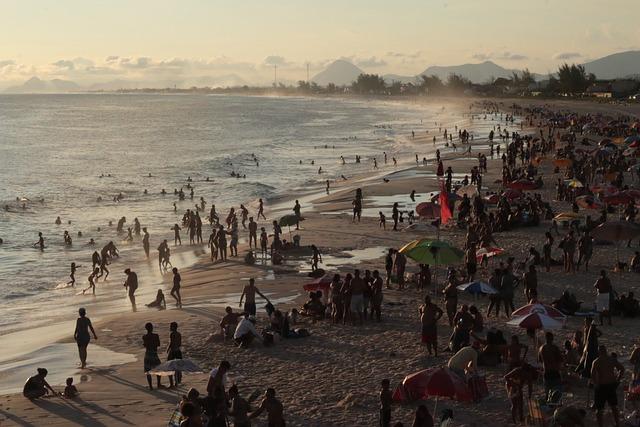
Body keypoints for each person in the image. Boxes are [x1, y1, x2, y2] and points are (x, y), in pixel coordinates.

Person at [591, 345, 625, 427]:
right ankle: (617, 424)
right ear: (606, 351)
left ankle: (601, 425)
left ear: (599, 352)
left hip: (601, 386)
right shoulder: (612, 359)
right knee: (614, 406)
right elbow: (622, 369)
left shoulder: (597, 361)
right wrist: (618, 379)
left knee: (599, 409)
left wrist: (595, 383)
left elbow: (592, 374)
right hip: (611, 385)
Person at [538, 332, 564, 396]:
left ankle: (550, 405)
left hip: (546, 372)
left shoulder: (541, 348)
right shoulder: (554, 348)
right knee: (556, 395)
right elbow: (561, 359)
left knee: (548, 394)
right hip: (554, 372)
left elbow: (540, 360)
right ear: (552, 338)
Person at [143, 322, 163, 390]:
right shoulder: (156, 335)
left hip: (148, 354)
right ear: (152, 328)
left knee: (148, 370)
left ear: (146, 329)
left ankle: (151, 386)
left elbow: (145, 345)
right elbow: (158, 344)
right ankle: (158, 383)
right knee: (158, 368)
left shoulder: (144, 337)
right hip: (154, 353)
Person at [167, 322, 182, 387]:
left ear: (173, 327)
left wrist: (168, 349)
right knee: (178, 367)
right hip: (178, 351)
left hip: (173, 351)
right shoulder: (179, 334)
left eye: (171, 326)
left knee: (169, 367)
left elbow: (171, 343)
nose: (170, 327)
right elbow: (179, 344)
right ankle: (177, 382)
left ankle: (171, 384)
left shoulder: (172, 334)